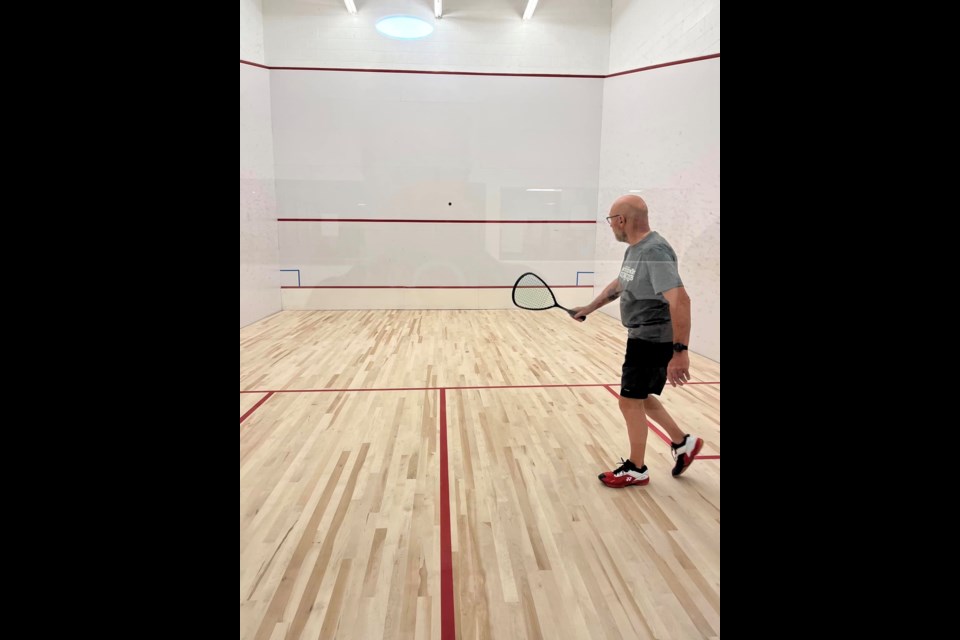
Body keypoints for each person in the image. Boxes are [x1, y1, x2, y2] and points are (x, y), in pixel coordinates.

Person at [572, 195, 703, 487]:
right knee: (640, 396)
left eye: (610, 220)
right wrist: (588, 308)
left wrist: (679, 352)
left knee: (629, 400)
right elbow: (621, 283)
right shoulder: (636, 249)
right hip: (641, 335)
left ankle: (637, 468)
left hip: (652, 338)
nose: (611, 226)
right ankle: (684, 443)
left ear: (621, 220)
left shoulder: (654, 250)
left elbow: (681, 301)